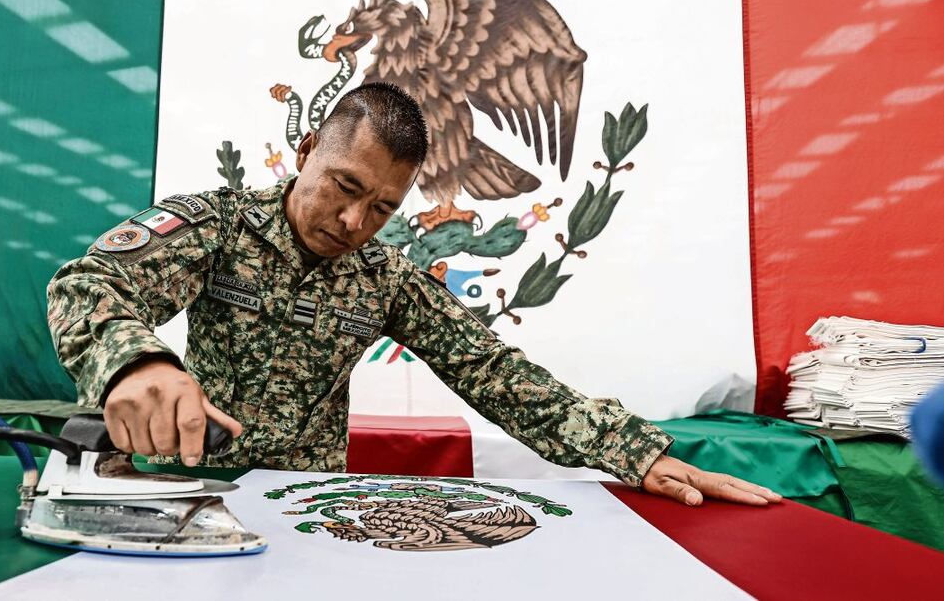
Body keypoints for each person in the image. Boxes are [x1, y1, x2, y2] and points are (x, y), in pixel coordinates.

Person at [47, 82, 780, 508]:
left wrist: (632, 453)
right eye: (344, 187)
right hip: (184, 500)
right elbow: (89, 283)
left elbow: (497, 375)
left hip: (302, 510)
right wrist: (137, 364)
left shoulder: (385, 276)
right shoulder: (216, 225)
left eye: (382, 208)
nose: (354, 223)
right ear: (305, 154)